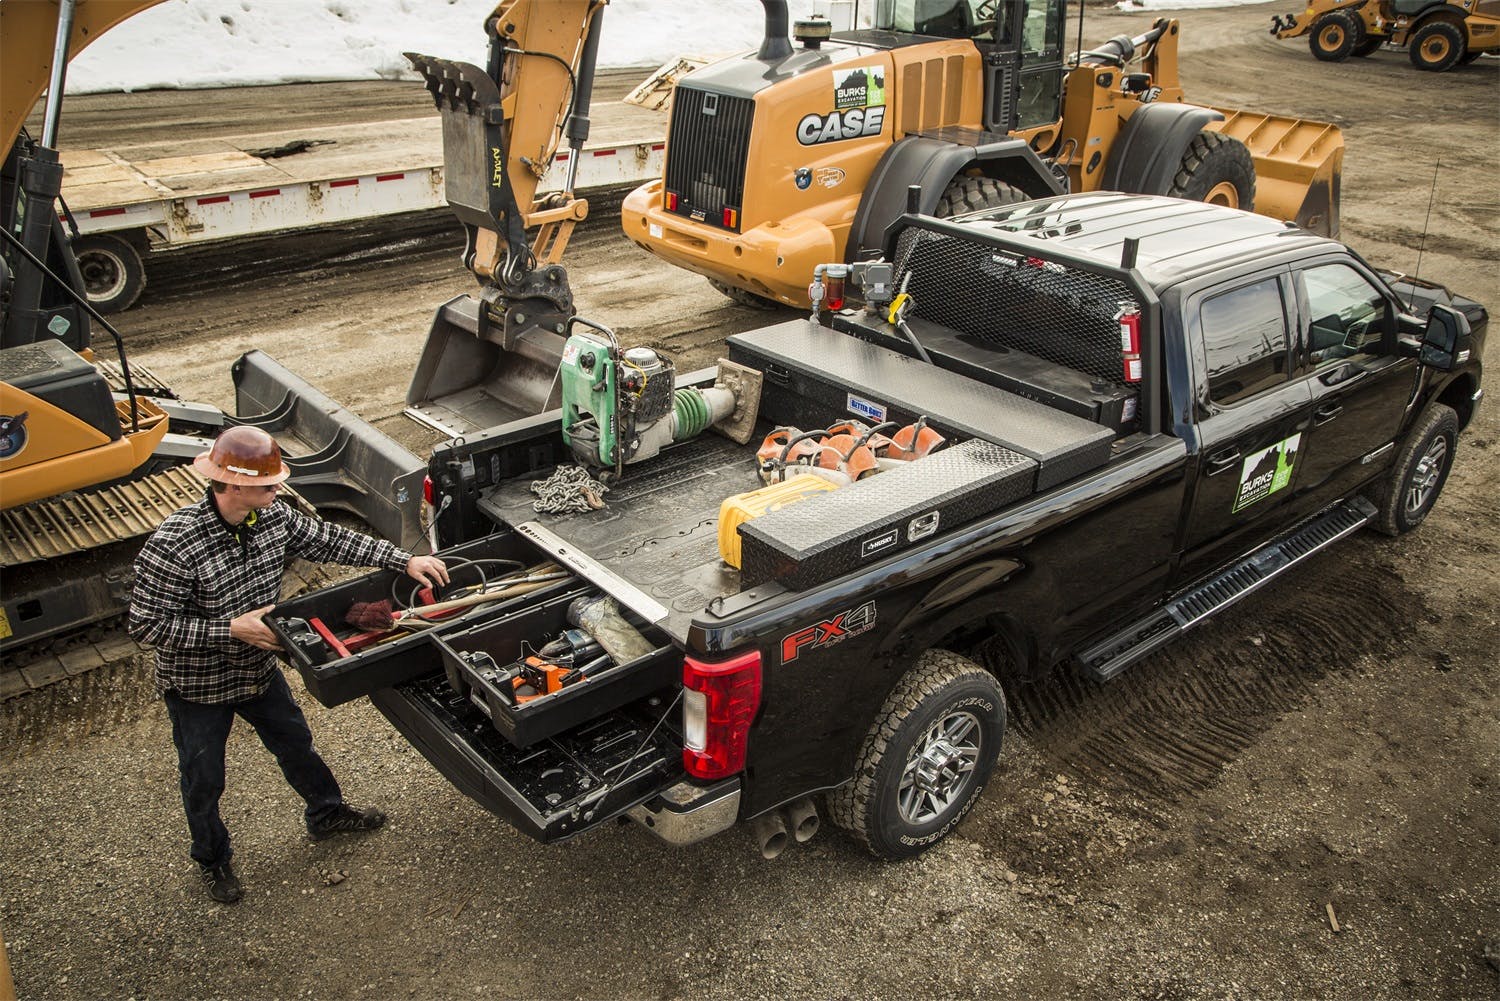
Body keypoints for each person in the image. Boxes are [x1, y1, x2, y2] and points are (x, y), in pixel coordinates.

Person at [128, 425, 449, 904]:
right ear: (232, 485)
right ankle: (213, 859)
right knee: (204, 778)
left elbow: (330, 540)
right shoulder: (175, 543)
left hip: (258, 671)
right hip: (197, 686)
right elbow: (146, 626)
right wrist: (230, 628)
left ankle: (326, 814)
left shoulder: (273, 517)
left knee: (297, 744)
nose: (279, 490)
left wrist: (403, 560)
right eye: (268, 484)